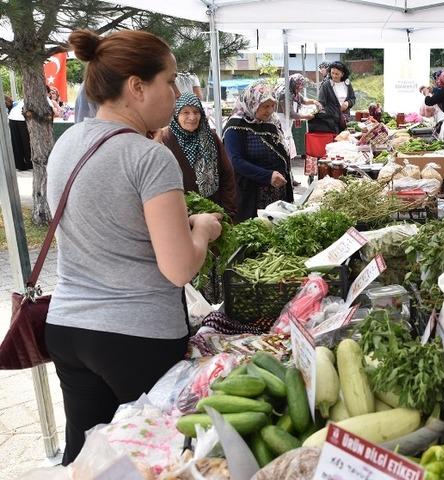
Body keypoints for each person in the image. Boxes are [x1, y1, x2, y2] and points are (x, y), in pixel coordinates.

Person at [46, 29, 223, 465]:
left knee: (90, 459)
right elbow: (180, 268)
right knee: (157, 460)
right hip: (135, 336)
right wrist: (201, 229)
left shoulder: (65, 143)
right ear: (137, 86)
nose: (177, 92)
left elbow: (106, 227)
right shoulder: (149, 157)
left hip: (68, 329)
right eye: (171, 80)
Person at [223, 80, 294, 222]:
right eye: (265, 106)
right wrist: (267, 176)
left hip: (276, 191)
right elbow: (235, 161)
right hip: (250, 194)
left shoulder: (271, 122)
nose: (269, 110)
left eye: (272, 105)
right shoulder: (236, 126)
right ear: (252, 103)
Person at [161, 93, 238, 220]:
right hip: (180, 216)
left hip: (214, 213)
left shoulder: (210, 137)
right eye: (185, 112)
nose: (192, 117)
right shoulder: (165, 139)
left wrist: (227, 212)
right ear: (176, 114)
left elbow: (227, 174)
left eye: (196, 112)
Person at [309, 61, 355, 134]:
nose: (334, 76)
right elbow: (321, 102)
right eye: (332, 73)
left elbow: (352, 99)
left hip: (345, 120)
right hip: (331, 123)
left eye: (337, 74)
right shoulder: (326, 85)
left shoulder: (347, 84)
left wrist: (347, 103)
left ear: (342, 74)